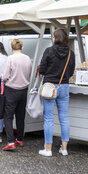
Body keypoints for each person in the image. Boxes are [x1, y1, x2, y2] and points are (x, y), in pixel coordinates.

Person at [38, 28, 75, 157]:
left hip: (49, 86)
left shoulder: (49, 51)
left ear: (55, 38)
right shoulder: (71, 53)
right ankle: (64, 148)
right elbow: (71, 72)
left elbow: (42, 69)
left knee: (48, 118)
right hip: (64, 86)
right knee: (64, 117)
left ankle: (48, 149)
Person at [0, 39, 33, 151]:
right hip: (24, 90)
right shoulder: (28, 59)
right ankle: (20, 139)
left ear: (11, 48)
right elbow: (30, 73)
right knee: (20, 116)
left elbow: (4, 76)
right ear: (22, 48)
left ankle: (10, 141)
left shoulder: (10, 59)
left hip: (11, 89)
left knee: (8, 116)